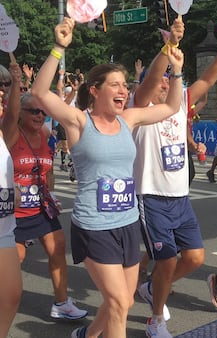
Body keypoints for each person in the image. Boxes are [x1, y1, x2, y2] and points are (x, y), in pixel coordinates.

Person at [30, 17, 184, 338]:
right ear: (95, 90)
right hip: (94, 225)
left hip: (127, 222)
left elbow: (171, 106)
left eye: (125, 85)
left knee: (124, 299)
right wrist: (59, 47)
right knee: (116, 303)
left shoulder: (129, 119)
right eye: (115, 84)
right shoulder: (78, 122)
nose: (123, 90)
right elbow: (40, 92)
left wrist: (177, 68)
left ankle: (86, 335)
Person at [131, 16, 217, 337]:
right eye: (161, 78)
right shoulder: (141, 105)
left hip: (180, 198)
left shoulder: (180, 103)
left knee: (194, 257)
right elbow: (148, 82)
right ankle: (155, 319)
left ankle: (152, 288)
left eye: (168, 80)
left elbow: (208, 78)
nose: (165, 83)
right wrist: (170, 47)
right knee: (167, 261)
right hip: (151, 197)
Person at [2, 64, 87, 320]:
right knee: (16, 256)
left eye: (42, 112)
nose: (39, 116)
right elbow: (13, 110)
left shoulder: (46, 133)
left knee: (57, 246)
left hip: (40, 206)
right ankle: (6, 300)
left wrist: (49, 193)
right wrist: (17, 83)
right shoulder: (10, 134)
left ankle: (61, 303)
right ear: (20, 113)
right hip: (14, 210)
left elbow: (48, 169)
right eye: (33, 112)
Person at [0, 80, 23, 338]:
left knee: (10, 296)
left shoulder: (3, 133)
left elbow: (14, 114)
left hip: (4, 227)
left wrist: (17, 84)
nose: (0, 92)